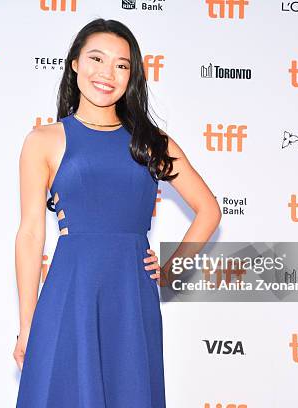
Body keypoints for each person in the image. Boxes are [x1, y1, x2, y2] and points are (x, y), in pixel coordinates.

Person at [14, 18, 221, 407]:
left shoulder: (152, 142)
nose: (107, 73)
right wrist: (27, 325)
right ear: (75, 63)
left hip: (130, 292)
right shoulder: (44, 140)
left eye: (121, 65)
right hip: (69, 291)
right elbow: (29, 235)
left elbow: (208, 209)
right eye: (96, 58)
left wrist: (171, 269)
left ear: (133, 75)